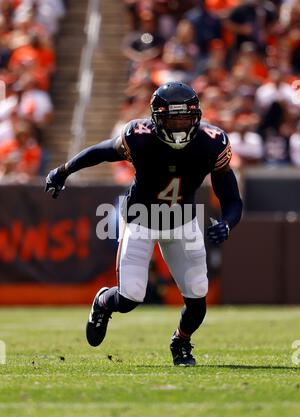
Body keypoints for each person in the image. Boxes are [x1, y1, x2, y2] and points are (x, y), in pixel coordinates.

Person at [45, 82, 243, 366]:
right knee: (130, 297)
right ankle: (103, 303)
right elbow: (100, 151)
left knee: (198, 296)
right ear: (156, 119)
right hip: (141, 218)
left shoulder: (211, 143)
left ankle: (181, 342)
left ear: (196, 117)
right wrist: (63, 171)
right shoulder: (139, 137)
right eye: (172, 119)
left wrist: (227, 223)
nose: (178, 126)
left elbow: (232, 200)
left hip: (182, 222)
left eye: (184, 119)